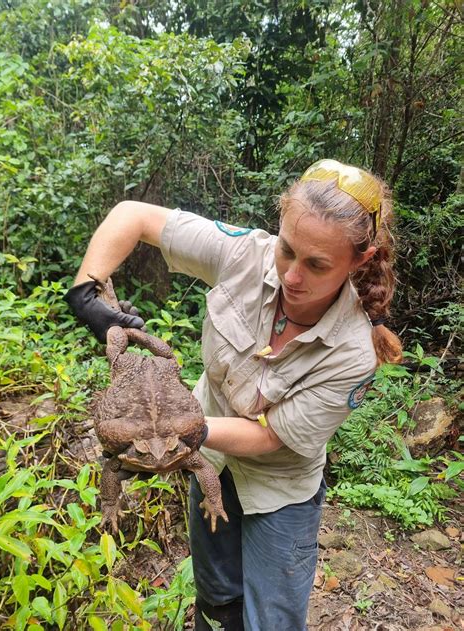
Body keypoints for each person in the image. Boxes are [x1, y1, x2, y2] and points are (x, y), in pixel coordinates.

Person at [65, 159, 402, 631]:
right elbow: (132, 216)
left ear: (358, 262)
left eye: (317, 264)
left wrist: (182, 431)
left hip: (278, 488)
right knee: (217, 597)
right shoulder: (244, 254)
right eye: (287, 250)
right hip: (210, 467)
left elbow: (270, 438)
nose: (292, 275)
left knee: (273, 619)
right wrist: (86, 292)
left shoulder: (352, 353)